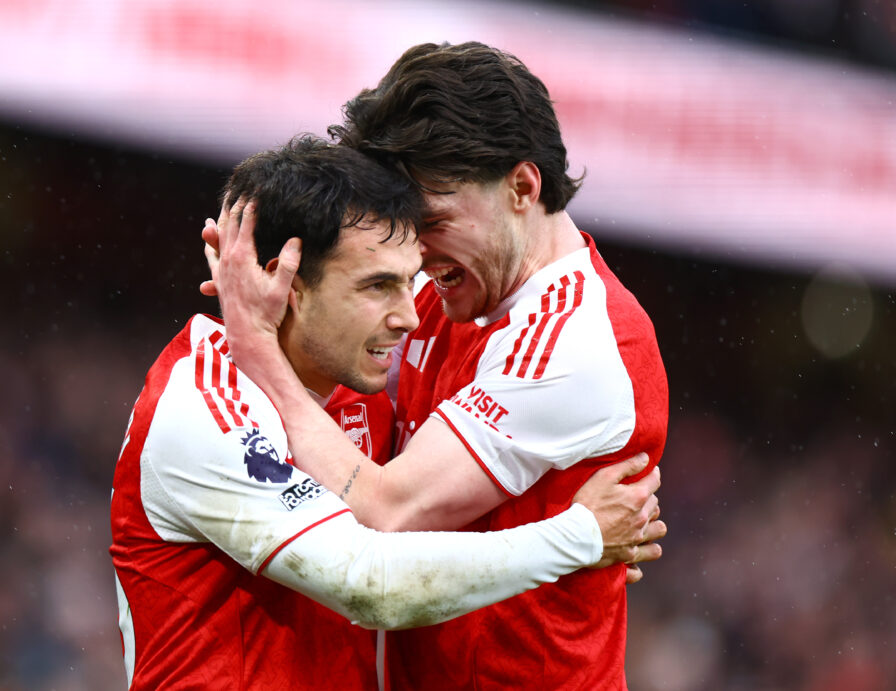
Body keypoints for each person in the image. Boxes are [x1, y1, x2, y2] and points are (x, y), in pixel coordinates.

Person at [111, 135, 665, 689]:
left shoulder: (361, 392)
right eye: (378, 286)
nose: (411, 316)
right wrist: (580, 537)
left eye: (409, 280)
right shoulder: (204, 409)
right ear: (286, 282)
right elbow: (370, 583)